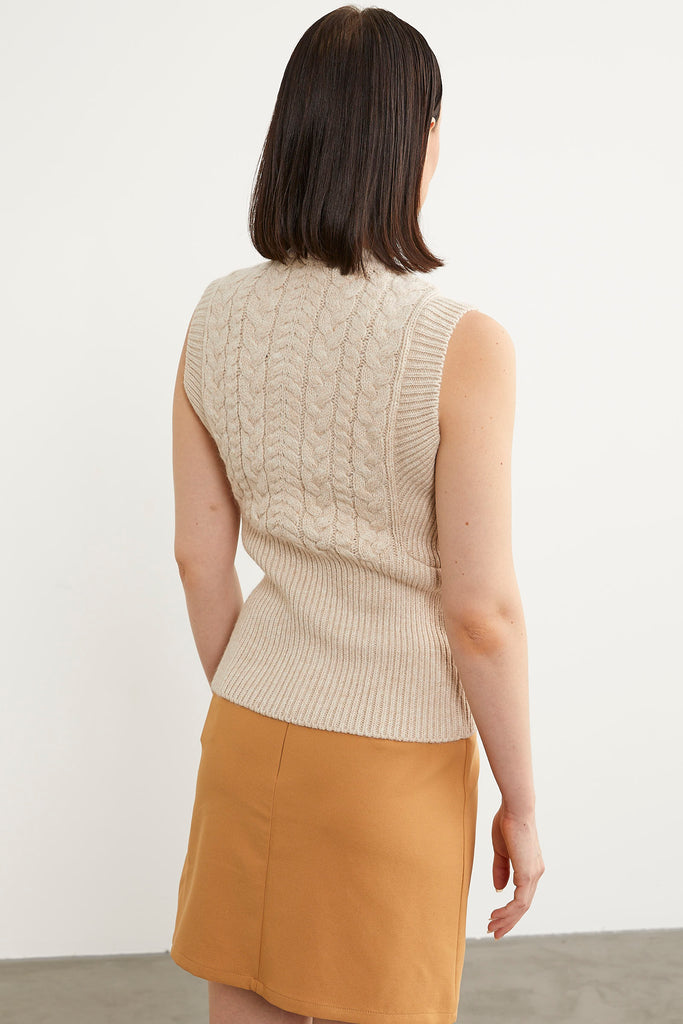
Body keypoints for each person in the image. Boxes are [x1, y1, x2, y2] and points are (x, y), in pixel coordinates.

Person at [169, 6, 545, 1024]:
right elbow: (480, 614)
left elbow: (199, 559)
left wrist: (265, 690)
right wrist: (519, 799)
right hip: (389, 768)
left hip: (245, 733)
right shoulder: (461, 345)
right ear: (417, 140)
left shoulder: (214, 316)